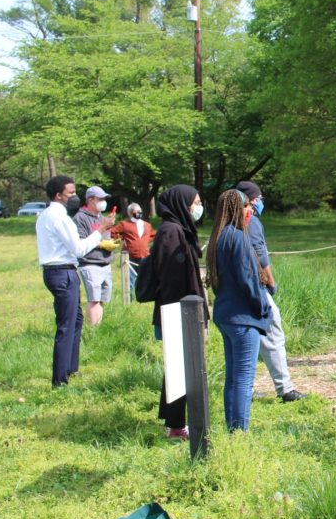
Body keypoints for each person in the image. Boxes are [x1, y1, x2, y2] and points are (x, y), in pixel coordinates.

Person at [36, 175, 112, 387]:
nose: (75, 196)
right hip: (63, 272)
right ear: (59, 195)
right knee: (66, 325)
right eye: (70, 192)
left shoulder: (46, 215)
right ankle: (59, 379)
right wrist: (100, 230)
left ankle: (71, 368)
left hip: (58, 271)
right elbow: (78, 248)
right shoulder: (59, 217)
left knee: (76, 319)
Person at [207, 189, 272, 432]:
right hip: (243, 318)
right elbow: (248, 280)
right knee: (244, 380)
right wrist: (262, 306)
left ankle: (232, 428)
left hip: (226, 315)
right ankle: (240, 433)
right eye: (246, 207)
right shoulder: (238, 237)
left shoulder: (219, 236)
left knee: (233, 379)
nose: (250, 211)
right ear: (236, 208)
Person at [235, 180, 306, 403]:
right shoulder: (252, 221)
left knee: (247, 340)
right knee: (273, 332)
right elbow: (260, 253)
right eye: (259, 198)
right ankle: (285, 389)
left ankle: (247, 386)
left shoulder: (231, 222)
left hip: (238, 288)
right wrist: (271, 281)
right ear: (252, 200)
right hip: (257, 287)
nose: (260, 202)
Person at [148, 185, 208, 440]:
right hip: (177, 311)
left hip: (183, 310)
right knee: (178, 370)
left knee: (181, 369)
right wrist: (183, 315)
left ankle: (175, 422)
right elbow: (171, 278)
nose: (197, 207)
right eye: (194, 202)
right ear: (182, 205)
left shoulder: (179, 229)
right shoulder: (171, 232)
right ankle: (176, 425)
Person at [73, 186, 117, 326]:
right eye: (100, 199)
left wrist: (112, 242)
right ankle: (93, 331)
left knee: (102, 298)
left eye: (104, 199)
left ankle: (99, 327)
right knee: (94, 299)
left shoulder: (102, 218)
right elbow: (81, 241)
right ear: (90, 200)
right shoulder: (80, 218)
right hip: (90, 263)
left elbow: (105, 237)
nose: (103, 202)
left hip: (105, 263)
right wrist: (102, 244)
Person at [110, 203, 155, 293]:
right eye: (136, 212)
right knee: (129, 282)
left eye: (140, 211)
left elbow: (153, 235)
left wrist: (143, 242)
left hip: (144, 256)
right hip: (129, 257)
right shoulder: (124, 224)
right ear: (130, 213)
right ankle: (128, 301)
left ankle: (143, 298)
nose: (139, 213)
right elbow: (112, 232)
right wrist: (121, 238)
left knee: (144, 280)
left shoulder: (147, 225)